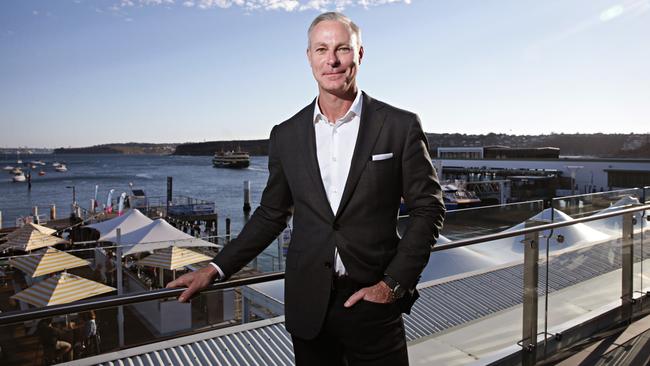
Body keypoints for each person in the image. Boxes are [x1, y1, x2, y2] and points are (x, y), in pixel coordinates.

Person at [167, 12, 445, 366]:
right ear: (309, 57)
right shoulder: (286, 135)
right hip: (308, 306)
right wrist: (215, 269)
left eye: (342, 49)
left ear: (359, 55)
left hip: (374, 304)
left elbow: (429, 209)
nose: (332, 60)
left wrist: (392, 285)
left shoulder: (399, 126)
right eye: (321, 49)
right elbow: (270, 214)